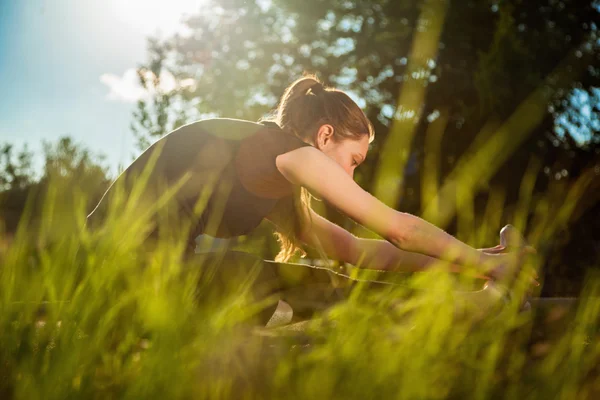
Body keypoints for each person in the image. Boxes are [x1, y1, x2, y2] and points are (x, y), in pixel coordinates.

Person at [87, 75, 533, 323]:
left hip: (147, 275)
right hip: (117, 267)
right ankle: (476, 309)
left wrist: (472, 259)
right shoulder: (288, 151)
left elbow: (359, 252)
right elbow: (400, 230)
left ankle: (474, 304)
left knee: (317, 285)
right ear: (324, 136)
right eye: (354, 159)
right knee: (278, 282)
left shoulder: (279, 177)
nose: (352, 174)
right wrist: (489, 267)